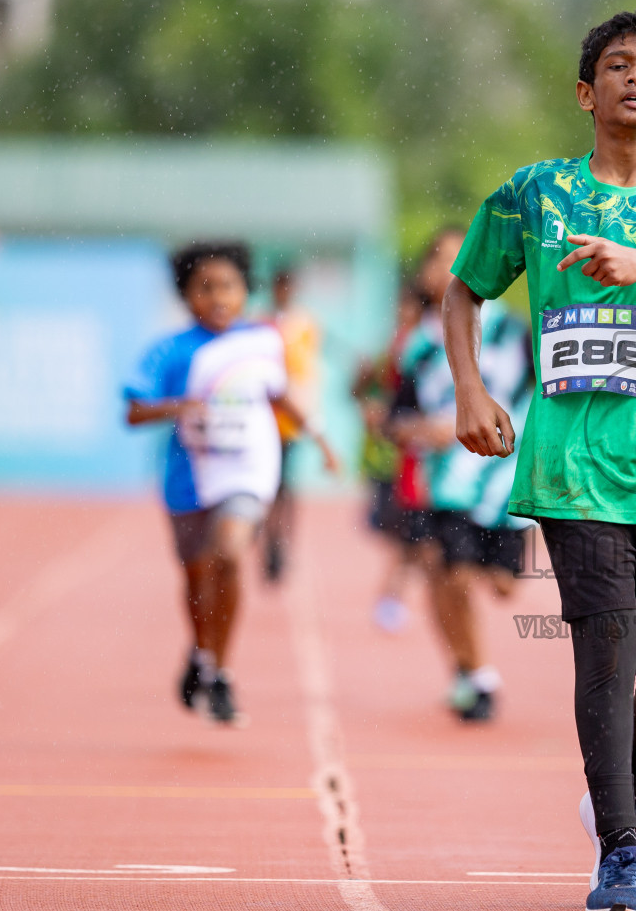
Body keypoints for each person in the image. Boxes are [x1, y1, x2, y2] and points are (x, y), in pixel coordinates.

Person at [444, 11, 636, 911]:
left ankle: (624, 802)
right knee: (605, 654)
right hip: (573, 468)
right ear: (587, 92)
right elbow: (463, 288)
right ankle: (621, 851)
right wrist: (469, 390)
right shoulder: (535, 193)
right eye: (618, 66)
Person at [124, 242, 338, 725]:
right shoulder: (169, 351)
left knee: (229, 553)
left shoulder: (264, 342)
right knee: (197, 577)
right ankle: (202, 653)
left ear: (245, 292)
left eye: (228, 287)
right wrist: (178, 406)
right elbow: (134, 411)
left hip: (248, 470)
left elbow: (283, 395)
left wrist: (322, 438)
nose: (218, 297)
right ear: (185, 295)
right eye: (205, 288)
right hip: (189, 478)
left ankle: (220, 672)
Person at [389, 226, 534, 721]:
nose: (453, 270)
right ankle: (476, 675)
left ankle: (467, 667)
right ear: (427, 273)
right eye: (442, 260)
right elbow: (393, 417)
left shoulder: (516, 332)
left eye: (463, 258)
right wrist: (419, 429)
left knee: (502, 585)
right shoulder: (416, 346)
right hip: (445, 484)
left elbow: (553, 395)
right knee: (454, 575)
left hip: (506, 485)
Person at [353, 272, 434, 634]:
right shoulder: (389, 349)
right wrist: (367, 391)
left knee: (417, 540)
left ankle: (393, 597)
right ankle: (392, 598)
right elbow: (360, 393)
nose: (403, 312)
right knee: (410, 539)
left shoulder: (430, 348)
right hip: (391, 459)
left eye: (410, 305)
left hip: (422, 458)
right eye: (400, 305)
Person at [258, 266, 321, 582]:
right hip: (265, 418)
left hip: (291, 419)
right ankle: (269, 542)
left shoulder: (303, 323)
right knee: (267, 488)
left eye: (288, 286)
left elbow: (307, 368)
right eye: (279, 286)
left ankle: (283, 545)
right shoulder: (260, 322)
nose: (284, 292)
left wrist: (309, 410)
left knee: (287, 487)